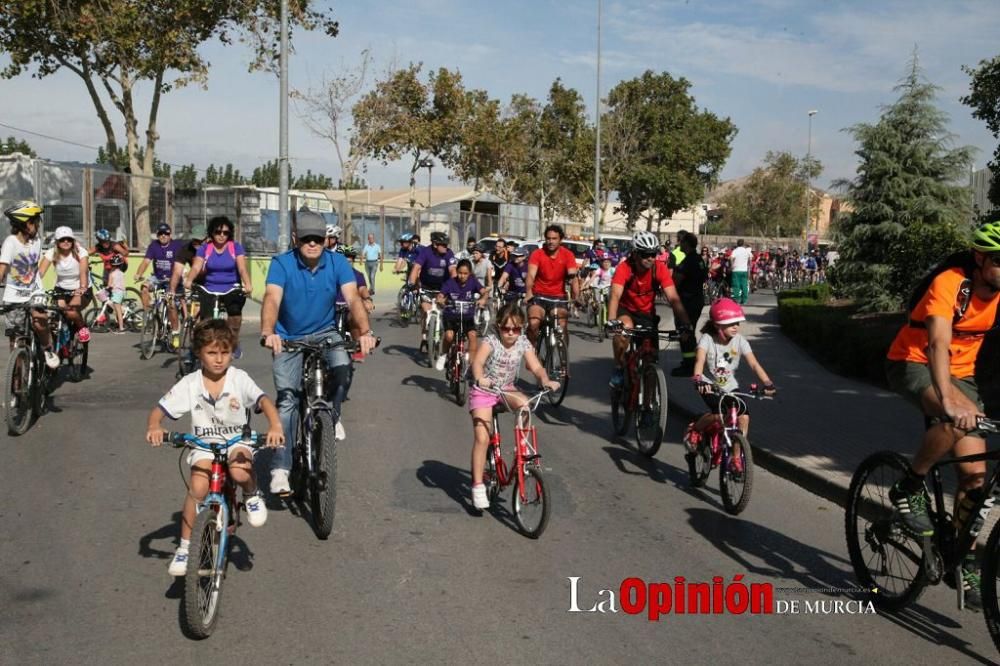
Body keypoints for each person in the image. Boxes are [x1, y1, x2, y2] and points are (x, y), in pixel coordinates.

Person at [884, 223, 1000, 609]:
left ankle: (961, 558)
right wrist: (949, 401)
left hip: (962, 375)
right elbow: (937, 342)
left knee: (974, 475)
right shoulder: (951, 282)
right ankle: (909, 484)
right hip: (913, 363)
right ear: (980, 259)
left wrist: (958, 394)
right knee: (955, 419)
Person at [145, 319, 284, 576]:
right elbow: (159, 411)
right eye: (211, 353)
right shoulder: (190, 383)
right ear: (199, 353)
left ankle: (252, 493)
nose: (219, 359)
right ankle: (186, 547)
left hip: (236, 441)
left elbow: (263, 401)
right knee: (198, 486)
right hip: (204, 444)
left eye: (225, 353)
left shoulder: (238, 378)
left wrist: (275, 426)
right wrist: (155, 426)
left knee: (240, 472)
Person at [260, 210, 376, 494]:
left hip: (326, 334)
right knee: (288, 401)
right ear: (296, 239)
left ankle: (330, 415)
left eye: (318, 239)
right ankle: (280, 467)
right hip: (288, 337)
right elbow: (272, 298)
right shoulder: (281, 263)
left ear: (325, 240)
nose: (312, 244)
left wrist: (365, 332)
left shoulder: (337, 262)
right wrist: (268, 332)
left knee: (343, 368)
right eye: (306, 239)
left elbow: (352, 298)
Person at [468, 303, 559, 509]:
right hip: (485, 391)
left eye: (516, 329)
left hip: (506, 389)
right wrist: (480, 378)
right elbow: (477, 363)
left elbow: (536, 366)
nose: (510, 333)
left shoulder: (523, 343)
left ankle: (523, 450)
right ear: (499, 326)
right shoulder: (491, 341)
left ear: (522, 328)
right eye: (506, 328)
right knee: (483, 437)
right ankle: (478, 485)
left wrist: (545, 380)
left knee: (526, 405)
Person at [687, 298, 776, 460]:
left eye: (737, 322)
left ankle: (736, 458)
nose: (736, 326)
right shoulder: (707, 339)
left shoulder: (740, 341)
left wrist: (768, 383)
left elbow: (754, 364)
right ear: (718, 325)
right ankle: (695, 430)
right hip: (708, 384)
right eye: (731, 323)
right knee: (718, 414)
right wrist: (698, 379)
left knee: (743, 416)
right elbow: (699, 360)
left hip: (729, 386)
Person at [606, 230, 693, 389]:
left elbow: (673, 298)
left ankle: (649, 408)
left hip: (646, 314)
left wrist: (686, 324)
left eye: (653, 253)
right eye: (646, 254)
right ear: (635, 253)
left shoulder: (659, 268)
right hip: (626, 309)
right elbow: (615, 295)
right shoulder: (624, 268)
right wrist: (612, 321)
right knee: (624, 329)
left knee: (651, 362)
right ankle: (618, 367)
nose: (651, 258)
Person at [183, 216, 252, 357]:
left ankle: (233, 342)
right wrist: (189, 280)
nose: (221, 235)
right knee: (206, 322)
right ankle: (200, 348)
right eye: (218, 232)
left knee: (234, 315)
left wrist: (247, 284)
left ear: (229, 234)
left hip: (231, 287)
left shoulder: (235, 247)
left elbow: (242, 269)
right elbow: (196, 267)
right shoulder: (205, 249)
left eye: (225, 233)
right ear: (212, 233)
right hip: (209, 287)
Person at [1, 201, 59, 368]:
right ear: (26, 224)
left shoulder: (37, 241)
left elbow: (35, 268)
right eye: (35, 221)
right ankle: (17, 382)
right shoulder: (10, 243)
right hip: (13, 295)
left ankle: (47, 348)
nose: (38, 224)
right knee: (16, 341)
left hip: (34, 291)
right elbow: (2, 270)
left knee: (39, 320)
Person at [525, 224, 579, 348]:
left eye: (554, 239)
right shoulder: (537, 254)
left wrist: (576, 297)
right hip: (538, 296)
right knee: (533, 324)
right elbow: (531, 275)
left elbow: (573, 277)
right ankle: (531, 352)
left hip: (558, 298)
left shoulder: (568, 255)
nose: (551, 241)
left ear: (560, 240)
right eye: (548, 238)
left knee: (562, 324)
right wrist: (528, 291)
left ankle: (563, 358)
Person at [39, 225, 92, 344]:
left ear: (73, 241)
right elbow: (40, 272)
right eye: (62, 239)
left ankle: (81, 327)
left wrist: (81, 289)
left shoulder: (80, 252)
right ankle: (60, 342)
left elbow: (83, 272)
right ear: (57, 242)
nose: (66, 242)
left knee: (71, 311)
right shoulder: (51, 253)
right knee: (55, 315)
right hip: (61, 289)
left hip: (81, 287)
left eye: (69, 239)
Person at [407, 231, 457, 354]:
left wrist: (455, 287)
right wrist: (411, 283)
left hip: (442, 289)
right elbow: (416, 268)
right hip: (426, 287)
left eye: (447, 244)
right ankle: (424, 336)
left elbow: (453, 271)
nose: (446, 247)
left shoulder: (449, 253)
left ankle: (444, 335)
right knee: (425, 310)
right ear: (435, 244)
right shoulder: (425, 252)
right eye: (443, 245)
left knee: (446, 312)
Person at [436, 259, 488, 370]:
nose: (462, 276)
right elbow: (440, 295)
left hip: (467, 317)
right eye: (460, 272)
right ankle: (443, 355)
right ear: (456, 271)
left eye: (465, 273)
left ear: (470, 273)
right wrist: (440, 299)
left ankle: (472, 366)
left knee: (473, 336)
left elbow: (484, 292)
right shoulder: (450, 282)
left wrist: (483, 299)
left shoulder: (473, 281)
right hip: (451, 316)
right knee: (449, 336)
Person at [135, 223, 183, 340]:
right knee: (144, 287)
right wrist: (138, 274)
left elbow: (181, 262)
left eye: (166, 233)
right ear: (157, 235)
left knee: (170, 303)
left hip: (172, 279)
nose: (163, 236)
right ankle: (149, 315)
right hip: (157, 278)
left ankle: (176, 333)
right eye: (160, 234)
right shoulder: (153, 246)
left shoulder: (177, 246)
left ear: (170, 234)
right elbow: (146, 261)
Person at [670, 233, 708, 376]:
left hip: (687, 301)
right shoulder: (699, 259)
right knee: (689, 332)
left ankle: (689, 366)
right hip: (696, 299)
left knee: (685, 332)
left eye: (681, 241)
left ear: (686, 243)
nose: (679, 244)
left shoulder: (688, 261)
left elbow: (676, 281)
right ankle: (690, 362)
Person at [729, 239, 752, 305]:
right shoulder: (746, 251)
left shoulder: (735, 251)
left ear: (737, 244)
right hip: (744, 270)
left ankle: (737, 299)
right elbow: (750, 259)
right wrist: (748, 266)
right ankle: (744, 300)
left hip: (736, 270)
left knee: (736, 285)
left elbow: (731, 258)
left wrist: (732, 265)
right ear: (743, 244)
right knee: (744, 285)